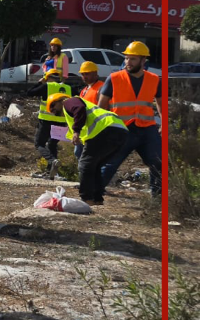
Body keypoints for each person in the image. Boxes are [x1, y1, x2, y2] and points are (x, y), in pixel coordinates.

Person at [98, 41, 162, 201]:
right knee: (110, 164)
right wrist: (104, 129)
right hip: (122, 130)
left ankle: (157, 200)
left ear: (143, 61)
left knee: (159, 163)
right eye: (126, 58)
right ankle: (93, 194)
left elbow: (161, 105)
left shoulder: (154, 79)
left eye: (133, 59)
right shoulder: (114, 78)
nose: (128, 62)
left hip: (147, 129)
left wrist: (165, 124)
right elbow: (101, 106)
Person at [46, 93, 128, 206]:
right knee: (96, 165)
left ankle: (86, 198)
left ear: (59, 101)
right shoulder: (71, 111)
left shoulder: (68, 102)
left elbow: (79, 109)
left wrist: (76, 131)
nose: (55, 113)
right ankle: (97, 199)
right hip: (120, 130)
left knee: (85, 164)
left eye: (53, 108)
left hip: (104, 129)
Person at [25, 69, 71, 179]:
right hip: (61, 122)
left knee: (39, 143)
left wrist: (40, 82)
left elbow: (29, 92)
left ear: (47, 77)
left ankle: (52, 160)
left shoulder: (47, 86)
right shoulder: (68, 88)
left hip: (46, 121)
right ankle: (52, 172)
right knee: (52, 144)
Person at [75, 61, 103, 159]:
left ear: (95, 74)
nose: (84, 76)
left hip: (96, 129)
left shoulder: (101, 88)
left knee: (87, 155)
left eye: (87, 74)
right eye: (82, 74)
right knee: (79, 153)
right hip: (85, 129)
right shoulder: (84, 90)